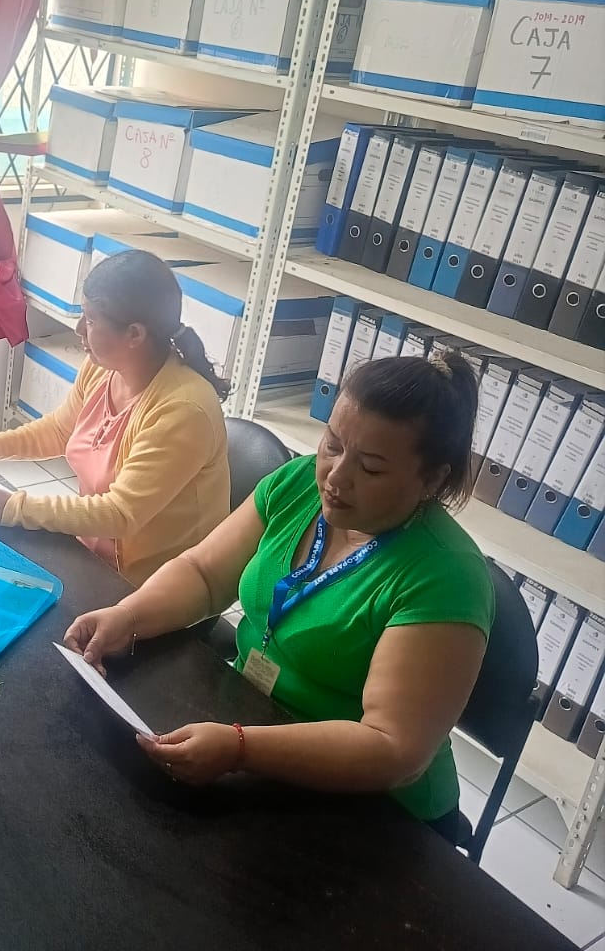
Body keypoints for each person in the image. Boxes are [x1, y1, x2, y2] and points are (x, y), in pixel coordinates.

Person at [63, 352, 492, 837]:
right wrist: (128, 616)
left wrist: (240, 748)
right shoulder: (299, 483)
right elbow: (204, 573)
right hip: (253, 725)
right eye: (333, 445)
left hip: (376, 811)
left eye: (371, 468)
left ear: (431, 480)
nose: (336, 476)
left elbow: (392, 749)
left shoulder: (445, 575)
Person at [0, 250, 231, 586]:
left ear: (135, 334)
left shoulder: (183, 410)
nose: (78, 329)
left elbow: (119, 513)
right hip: (94, 555)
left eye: (90, 320)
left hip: (156, 586)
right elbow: (61, 430)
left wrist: (13, 507)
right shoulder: (104, 368)